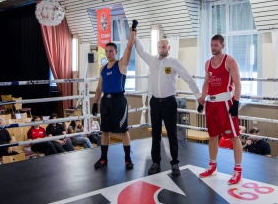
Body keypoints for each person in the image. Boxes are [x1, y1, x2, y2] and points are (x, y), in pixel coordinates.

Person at [134, 31, 203, 176]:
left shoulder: (174, 62)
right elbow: (140, 50)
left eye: (164, 47)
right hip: (155, 102)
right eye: (159, 47)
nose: (161, 49)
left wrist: (198, 96)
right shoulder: (152, 60)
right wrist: (135, 34)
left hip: (169, 102)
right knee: (156, 134)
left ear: (169, 48)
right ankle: (155, 162)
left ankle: (175, 163)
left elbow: (188, 78)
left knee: (172, 133)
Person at [197, 34, 243, 185]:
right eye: (211, 45)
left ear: (222, 46)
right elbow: (206, 83)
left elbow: (237, 83)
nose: (213, 48)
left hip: (225, 104)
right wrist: (202, 100)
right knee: (212, 136)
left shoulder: (230, 61)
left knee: (234, 137)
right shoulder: (208, 63)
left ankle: (237, 170)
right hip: (211, 104)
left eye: (216, 45)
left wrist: (236, 103)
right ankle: (212, 165)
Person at [92, 21, 137, 169]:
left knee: (124, 131)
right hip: (106, 101)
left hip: (118, 101)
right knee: (104, 130)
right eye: (107, 51)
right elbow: (99, 87)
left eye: (111, 51)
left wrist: (133, 31)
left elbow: (129, 47)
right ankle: (103, 158)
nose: (109, 53)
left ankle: (128, 159)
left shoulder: (121, 64)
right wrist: (95, 103)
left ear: (116, 52)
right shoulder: (103, 69)